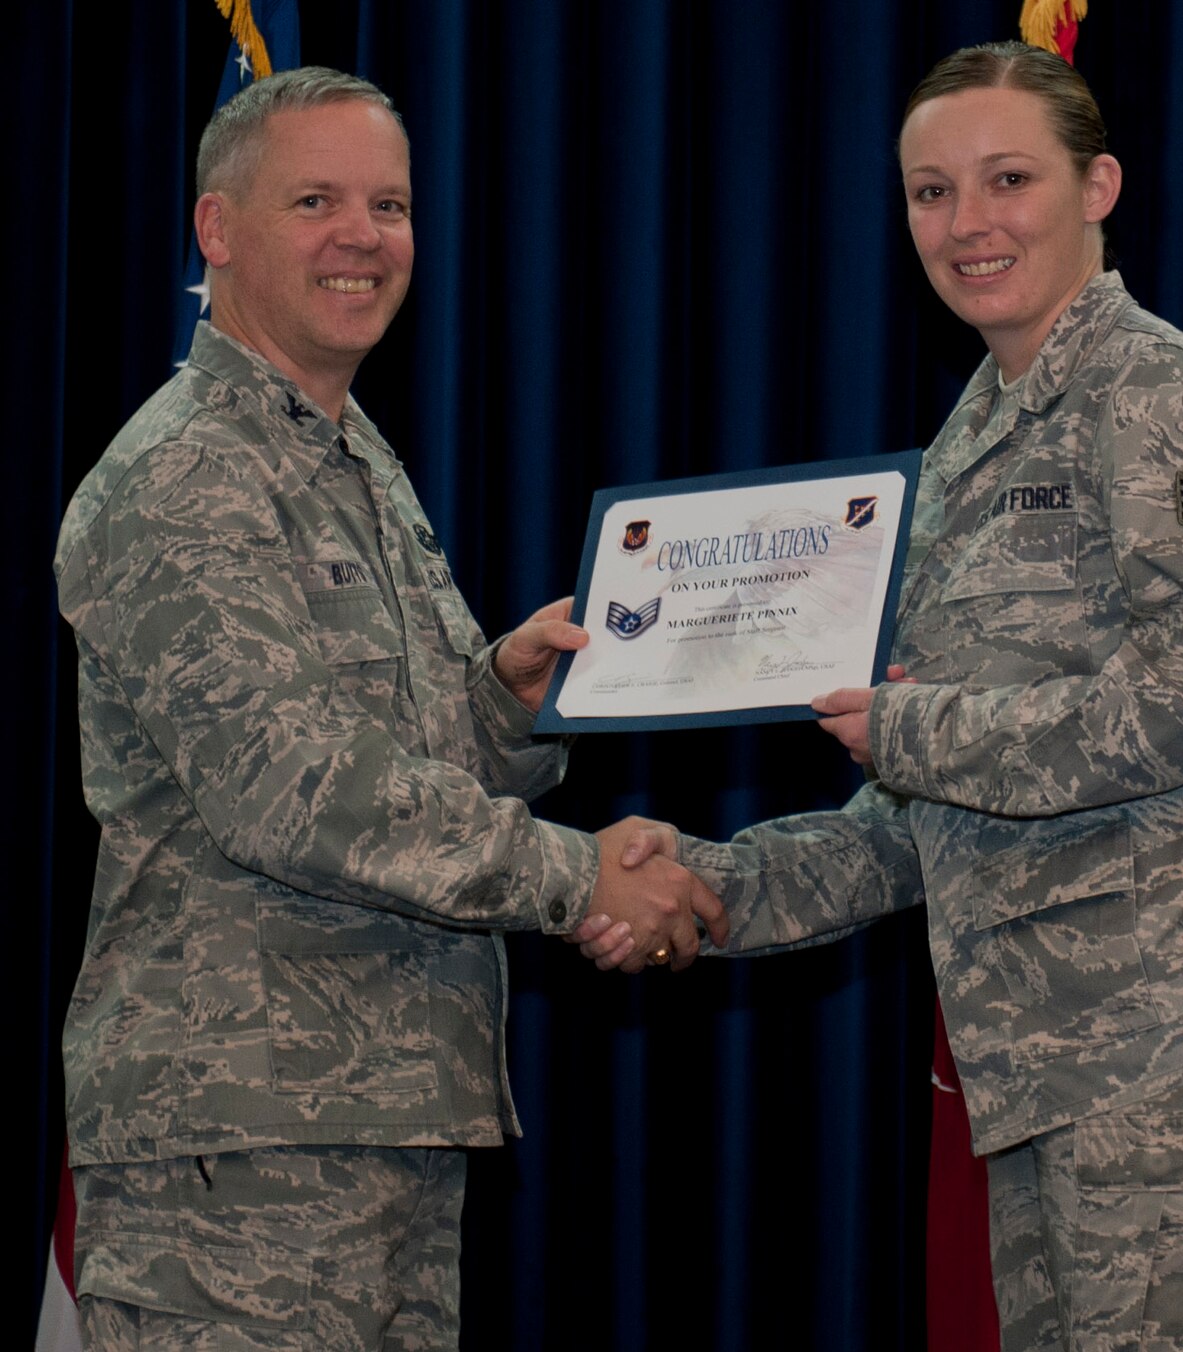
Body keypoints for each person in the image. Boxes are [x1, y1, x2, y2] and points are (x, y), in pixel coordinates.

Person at [580, 39, 1183, 1351]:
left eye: (1009, 179)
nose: (968, 224)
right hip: (1055, 1079)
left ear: (1097, 187)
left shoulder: (1164, 400)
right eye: (931, 192)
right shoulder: (965, 449)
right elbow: (924, 815)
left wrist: (913, 728)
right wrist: (709, 889)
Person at [53, 67, 723, 1348]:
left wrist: (505, 700)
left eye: (390, 205)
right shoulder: (184, 476)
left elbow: (408, 762)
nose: (362, 236)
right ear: (216, 229)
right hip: (240, 1152)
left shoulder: (352, 454)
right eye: (315, 200)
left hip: (388, 1117)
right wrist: (578, 875)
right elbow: (295, 792)